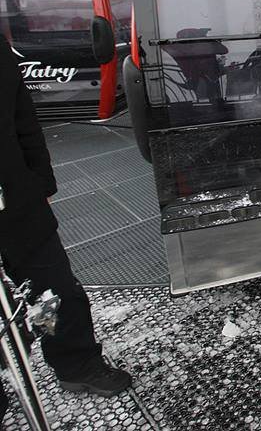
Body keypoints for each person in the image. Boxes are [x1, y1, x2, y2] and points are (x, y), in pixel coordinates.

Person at [0, 37, 132, 417]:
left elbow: (22, 118)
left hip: (16, 194)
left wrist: (41, 182)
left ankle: (76, 363)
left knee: (55, 286)